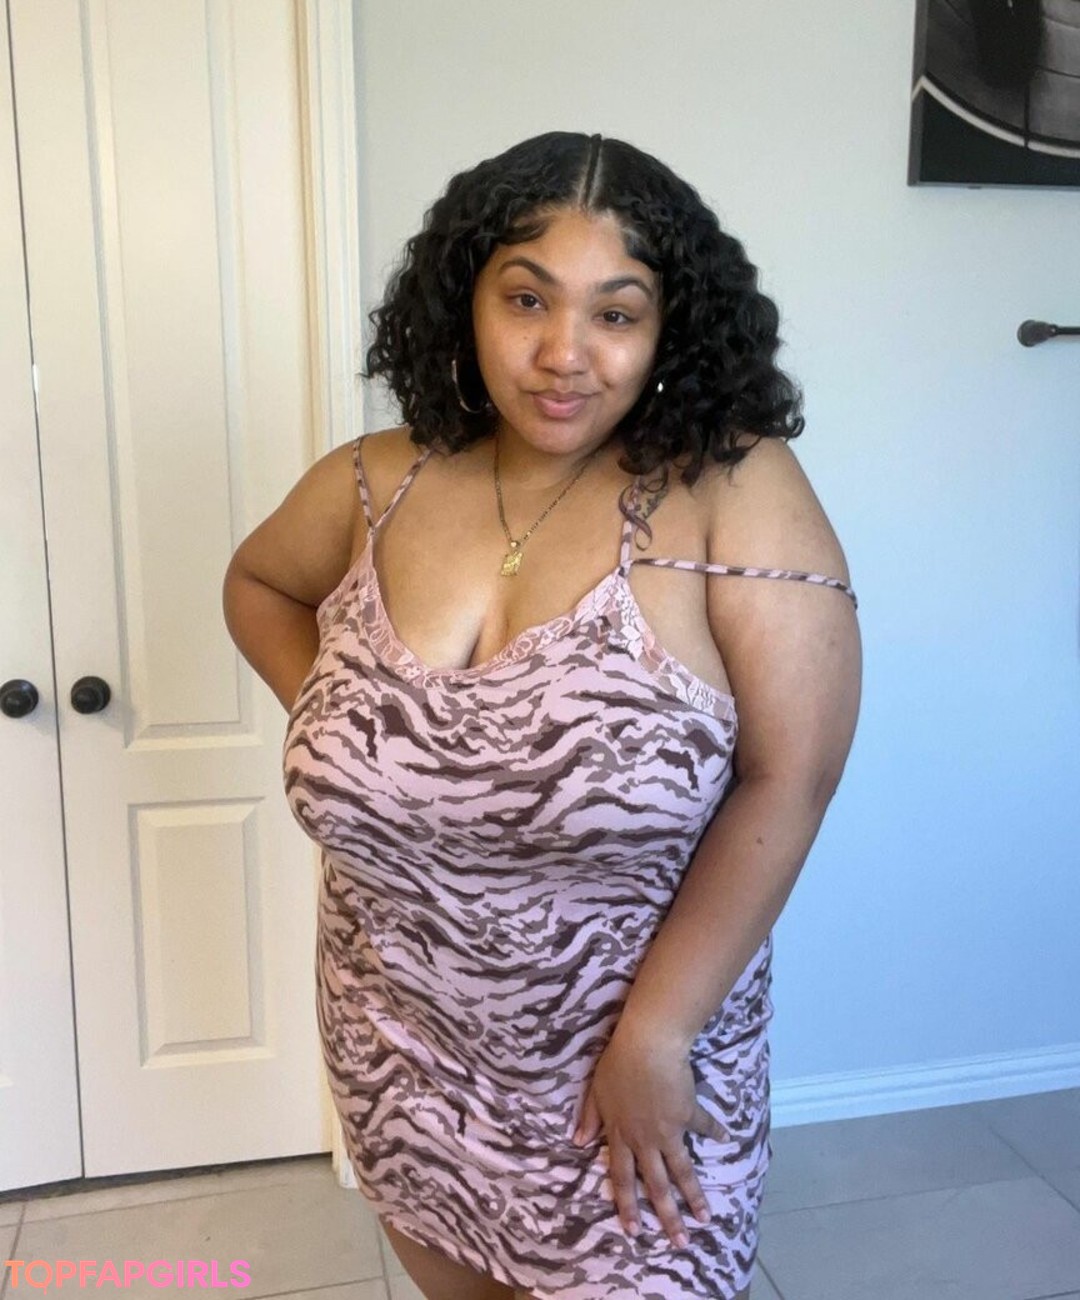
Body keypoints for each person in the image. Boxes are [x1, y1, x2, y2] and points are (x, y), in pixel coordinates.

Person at [223, 131, 861, 1300]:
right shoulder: (374, 482)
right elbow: (258, 582)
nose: (565, 352)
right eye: (526, 299)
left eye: (616, 312)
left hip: (633, 1070)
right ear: (463, 299)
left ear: (670, 329)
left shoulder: (732, 492)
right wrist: (348, 726)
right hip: (400, 1047)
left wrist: (657, 1036)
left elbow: (793, 777)